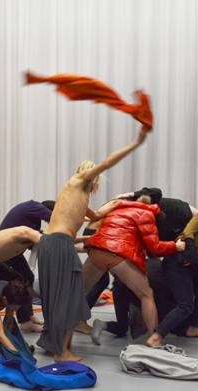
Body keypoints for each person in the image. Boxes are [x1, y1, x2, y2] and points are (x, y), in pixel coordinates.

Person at [36, 125, 150, 362]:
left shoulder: (80, 196)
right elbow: (107, 163)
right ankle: (61, 352)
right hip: (58, 244)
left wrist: (118, 204)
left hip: (54, 243)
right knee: (70, 297)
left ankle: (52, 344)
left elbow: (96, 215)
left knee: (60, 296)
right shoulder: (78, 181)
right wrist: (135, 143)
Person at [82, 190, 185, 341]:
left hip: (96, 249)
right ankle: (154, 339)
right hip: (117, 254)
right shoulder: (146, 214)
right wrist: (175, 246)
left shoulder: (117, 208)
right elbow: (155, 247)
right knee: (146, 294)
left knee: (77, 292)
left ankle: (61, 335)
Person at [146, 200, 198, 347]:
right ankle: (156, 337)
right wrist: (189, 248)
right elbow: (188, 231)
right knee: (185, 305)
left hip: (188, 265)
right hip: (176, 263)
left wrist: (195, 260)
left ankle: (193, 328)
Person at [0, 200, 55, 333]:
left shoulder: (32, 216)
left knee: (27, 277)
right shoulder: (33, 206)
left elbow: (30, 242)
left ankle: (27, 316)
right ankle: (18, 321)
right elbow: (55, 219)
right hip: (3, 250)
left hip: (12, 251)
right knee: (7, 285)